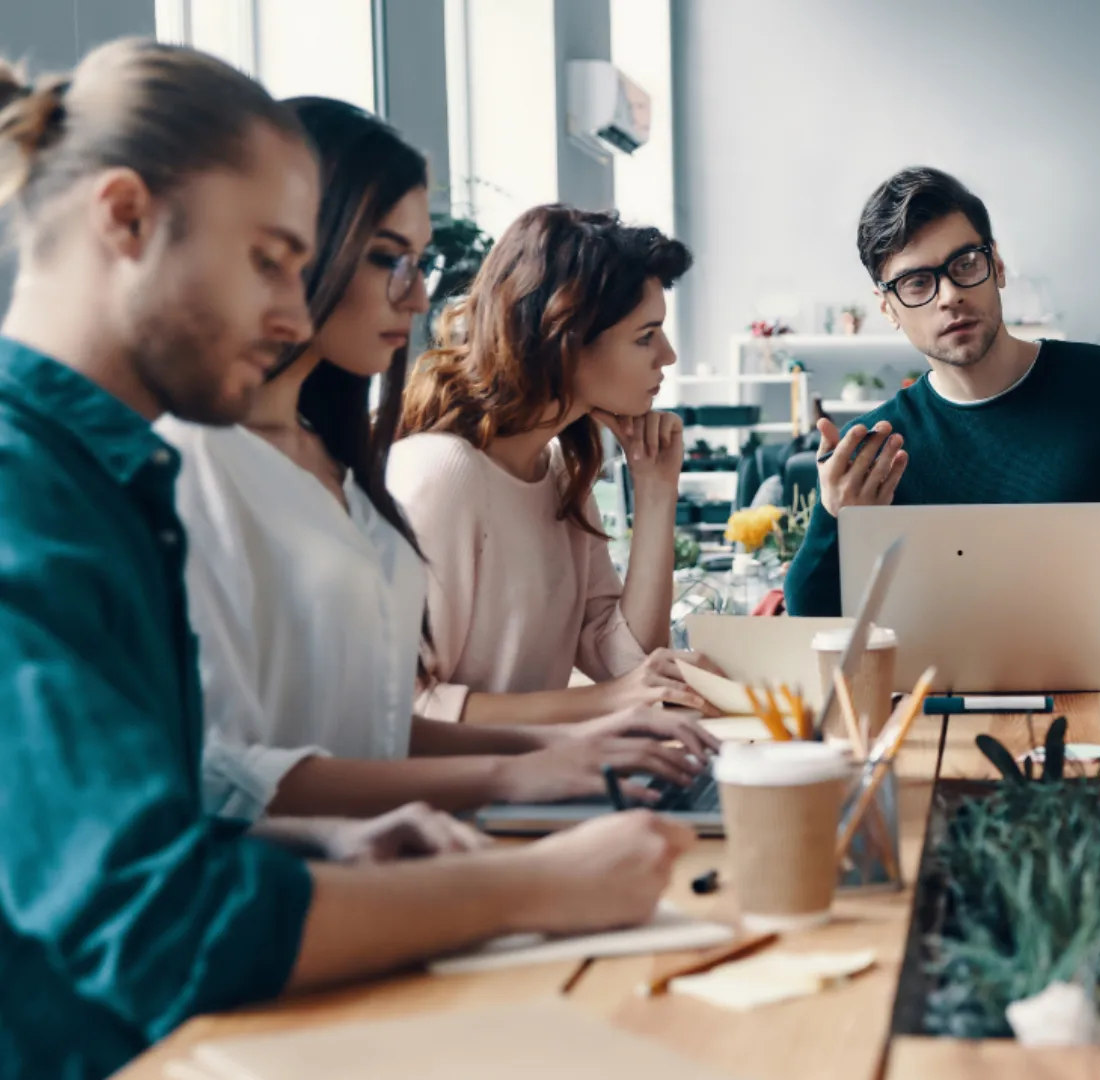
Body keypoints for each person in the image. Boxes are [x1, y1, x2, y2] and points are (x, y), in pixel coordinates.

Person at [0, 42, 690, 1080]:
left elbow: (170, 811)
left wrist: (327, 848)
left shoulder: (107, 476)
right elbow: (153, 921)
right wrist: (537, 885)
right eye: (271, 260)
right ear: (127, 218)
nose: (290, 311)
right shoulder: (31, 497)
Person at [161, 99, 712, 822]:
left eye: (416, 262)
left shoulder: (349, 467)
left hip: (397, 838)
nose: (421, 295)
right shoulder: (424, 471)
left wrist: (656, 492)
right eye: (391, 260)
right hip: (373, 849)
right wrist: (554, 750)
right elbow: (243, 769)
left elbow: (369, 733)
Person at [782, 167, 1100, 653]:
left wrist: (1090, 637)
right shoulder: (878, 446)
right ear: (887, 307)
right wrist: (834, 515)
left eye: (965, 263)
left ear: (999, 266)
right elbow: (812, 620)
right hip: (936, 712)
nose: (950, 296)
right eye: (916, 282)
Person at [393, 205, 714, 726]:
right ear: (565, 341)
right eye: (645, 336)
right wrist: (610, 700)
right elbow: (407, 708)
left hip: (533, 784)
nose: (669, 355)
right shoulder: (444, 473)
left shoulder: (561, 472)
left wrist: (656, 491)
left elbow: (627, 665)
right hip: (456, 798)